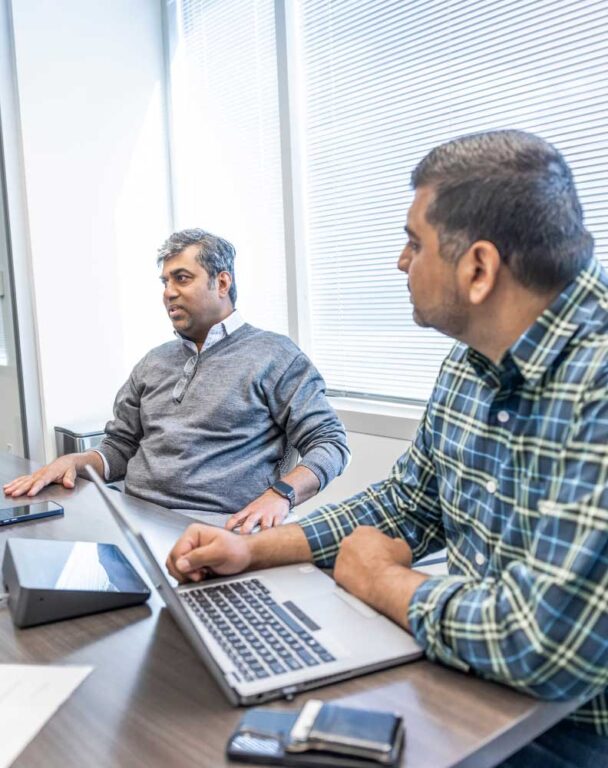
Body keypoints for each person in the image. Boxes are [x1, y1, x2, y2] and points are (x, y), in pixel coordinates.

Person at [166, 131, 608, 766]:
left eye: (414, 242)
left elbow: (541, 643)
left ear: (479, 268)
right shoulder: (471, 362)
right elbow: (410, 504)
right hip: (475, 680)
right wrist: (252, 548)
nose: (401, 262)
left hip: (571, 730)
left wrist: (380, 580)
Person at [3, 229, 350, 532]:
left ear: (223, 283)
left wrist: (281, 496)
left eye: (182, 278)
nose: (168, 292)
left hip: (216, 525)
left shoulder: (275, 356)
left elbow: (331, 443)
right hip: (132, 515)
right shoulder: (154, 361)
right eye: (165, 282)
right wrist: (75, 462)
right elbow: (120, 448)